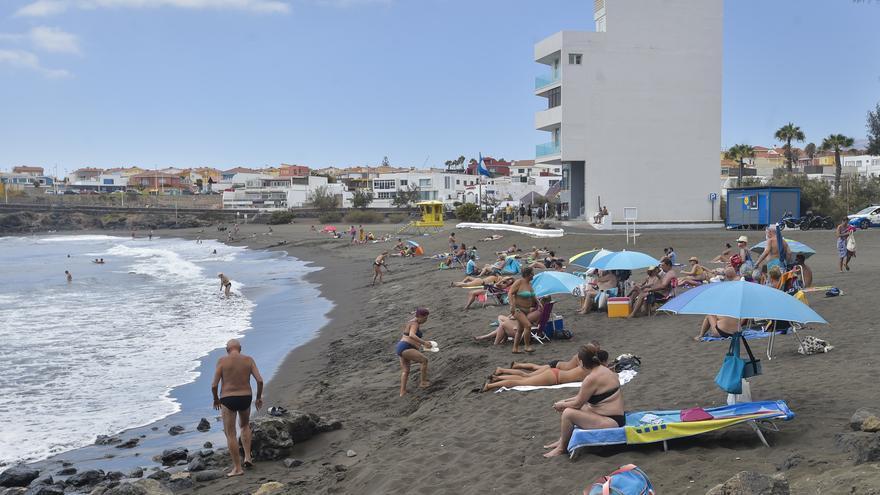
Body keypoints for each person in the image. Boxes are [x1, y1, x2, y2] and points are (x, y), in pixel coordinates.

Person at [542, 344, 624, 458]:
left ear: (580, 362)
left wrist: (563, 405)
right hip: (614, 416)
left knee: (568, 413)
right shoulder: (605, 371)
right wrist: (564, 401)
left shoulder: (591, 378)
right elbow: (582, 397)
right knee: (577, 408)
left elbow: (577, 403)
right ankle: (562, 441)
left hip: (611, 422)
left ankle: (562, 448)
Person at [211, 339, 264, 477]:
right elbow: (260, 380)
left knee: (231, 433)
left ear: (227, 349)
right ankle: (248, 457)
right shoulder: (248, 359)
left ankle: (238, 468)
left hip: (228, 398)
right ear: (240, 348)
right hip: (245, 397)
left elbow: (214, 385)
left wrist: (216, 399)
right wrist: (258, 398)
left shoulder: (222, 361)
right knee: (245, 426)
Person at [473, 296, 549, 346]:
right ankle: (492, 339)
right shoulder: (541, 311)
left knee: (503, 325)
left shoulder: (536, 313)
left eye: (539, 299)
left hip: (522, 334)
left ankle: (495, 344)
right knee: (503, 322)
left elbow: (519, 319)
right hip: (526, 330)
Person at [396, 308, 432, 396]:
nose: (425, 320)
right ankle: (423, 382)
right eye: (425, 318)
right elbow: (412, 335)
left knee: (406, 370)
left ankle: (402, 392)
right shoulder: (415, 323)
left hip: (400, 347)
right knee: (424, 360)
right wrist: (424, 343)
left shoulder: (412, 321)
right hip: (406, 347)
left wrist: (421, 345)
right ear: (420, 317)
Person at [507, 267, 538, 354]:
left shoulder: (529, 284)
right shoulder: (519, 282)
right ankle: (527, 346)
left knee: (520, 330)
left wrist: (539, 303)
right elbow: (510, 293)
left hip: (526, 310)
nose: (533, 275)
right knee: (528, 326)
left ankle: (515, 348)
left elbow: (533, 295)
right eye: (532, 273)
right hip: (517, 309)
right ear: (527, 274)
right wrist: (512, 305)